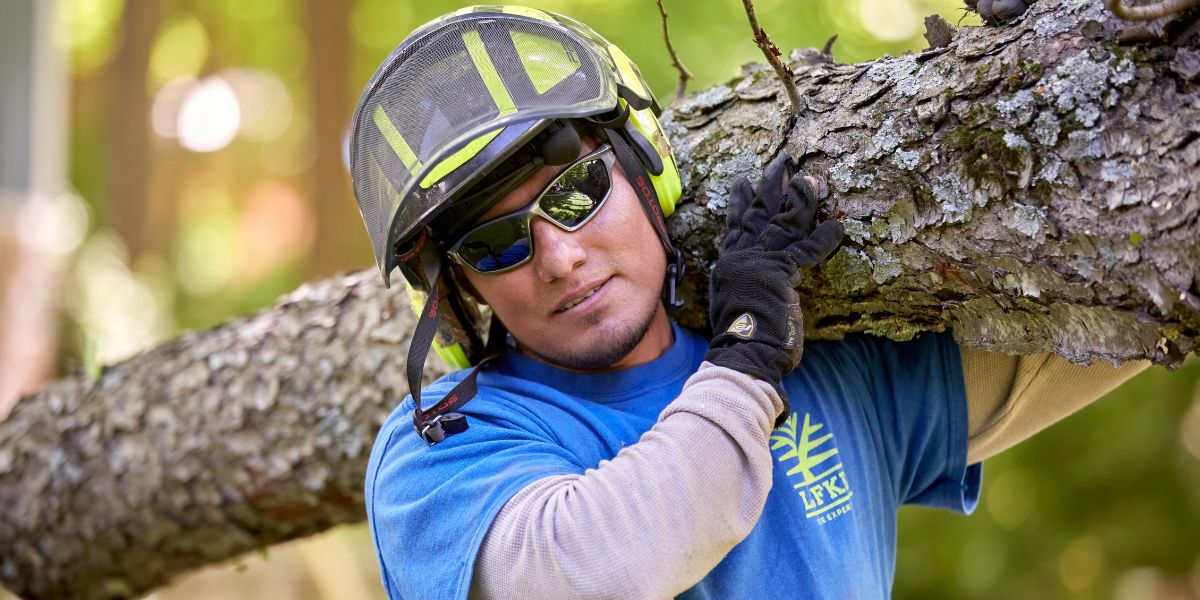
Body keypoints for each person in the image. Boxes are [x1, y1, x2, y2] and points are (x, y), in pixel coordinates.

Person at [349, 7, 1147, 599]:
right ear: (457, 289)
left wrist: (1072, 31)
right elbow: (589, 572)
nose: (559, 258)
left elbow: (1138, 309)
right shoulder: (440, 452)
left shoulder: (832, 367)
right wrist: (747, 359)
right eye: (498, 245)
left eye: (577, 191)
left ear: (644, 165)